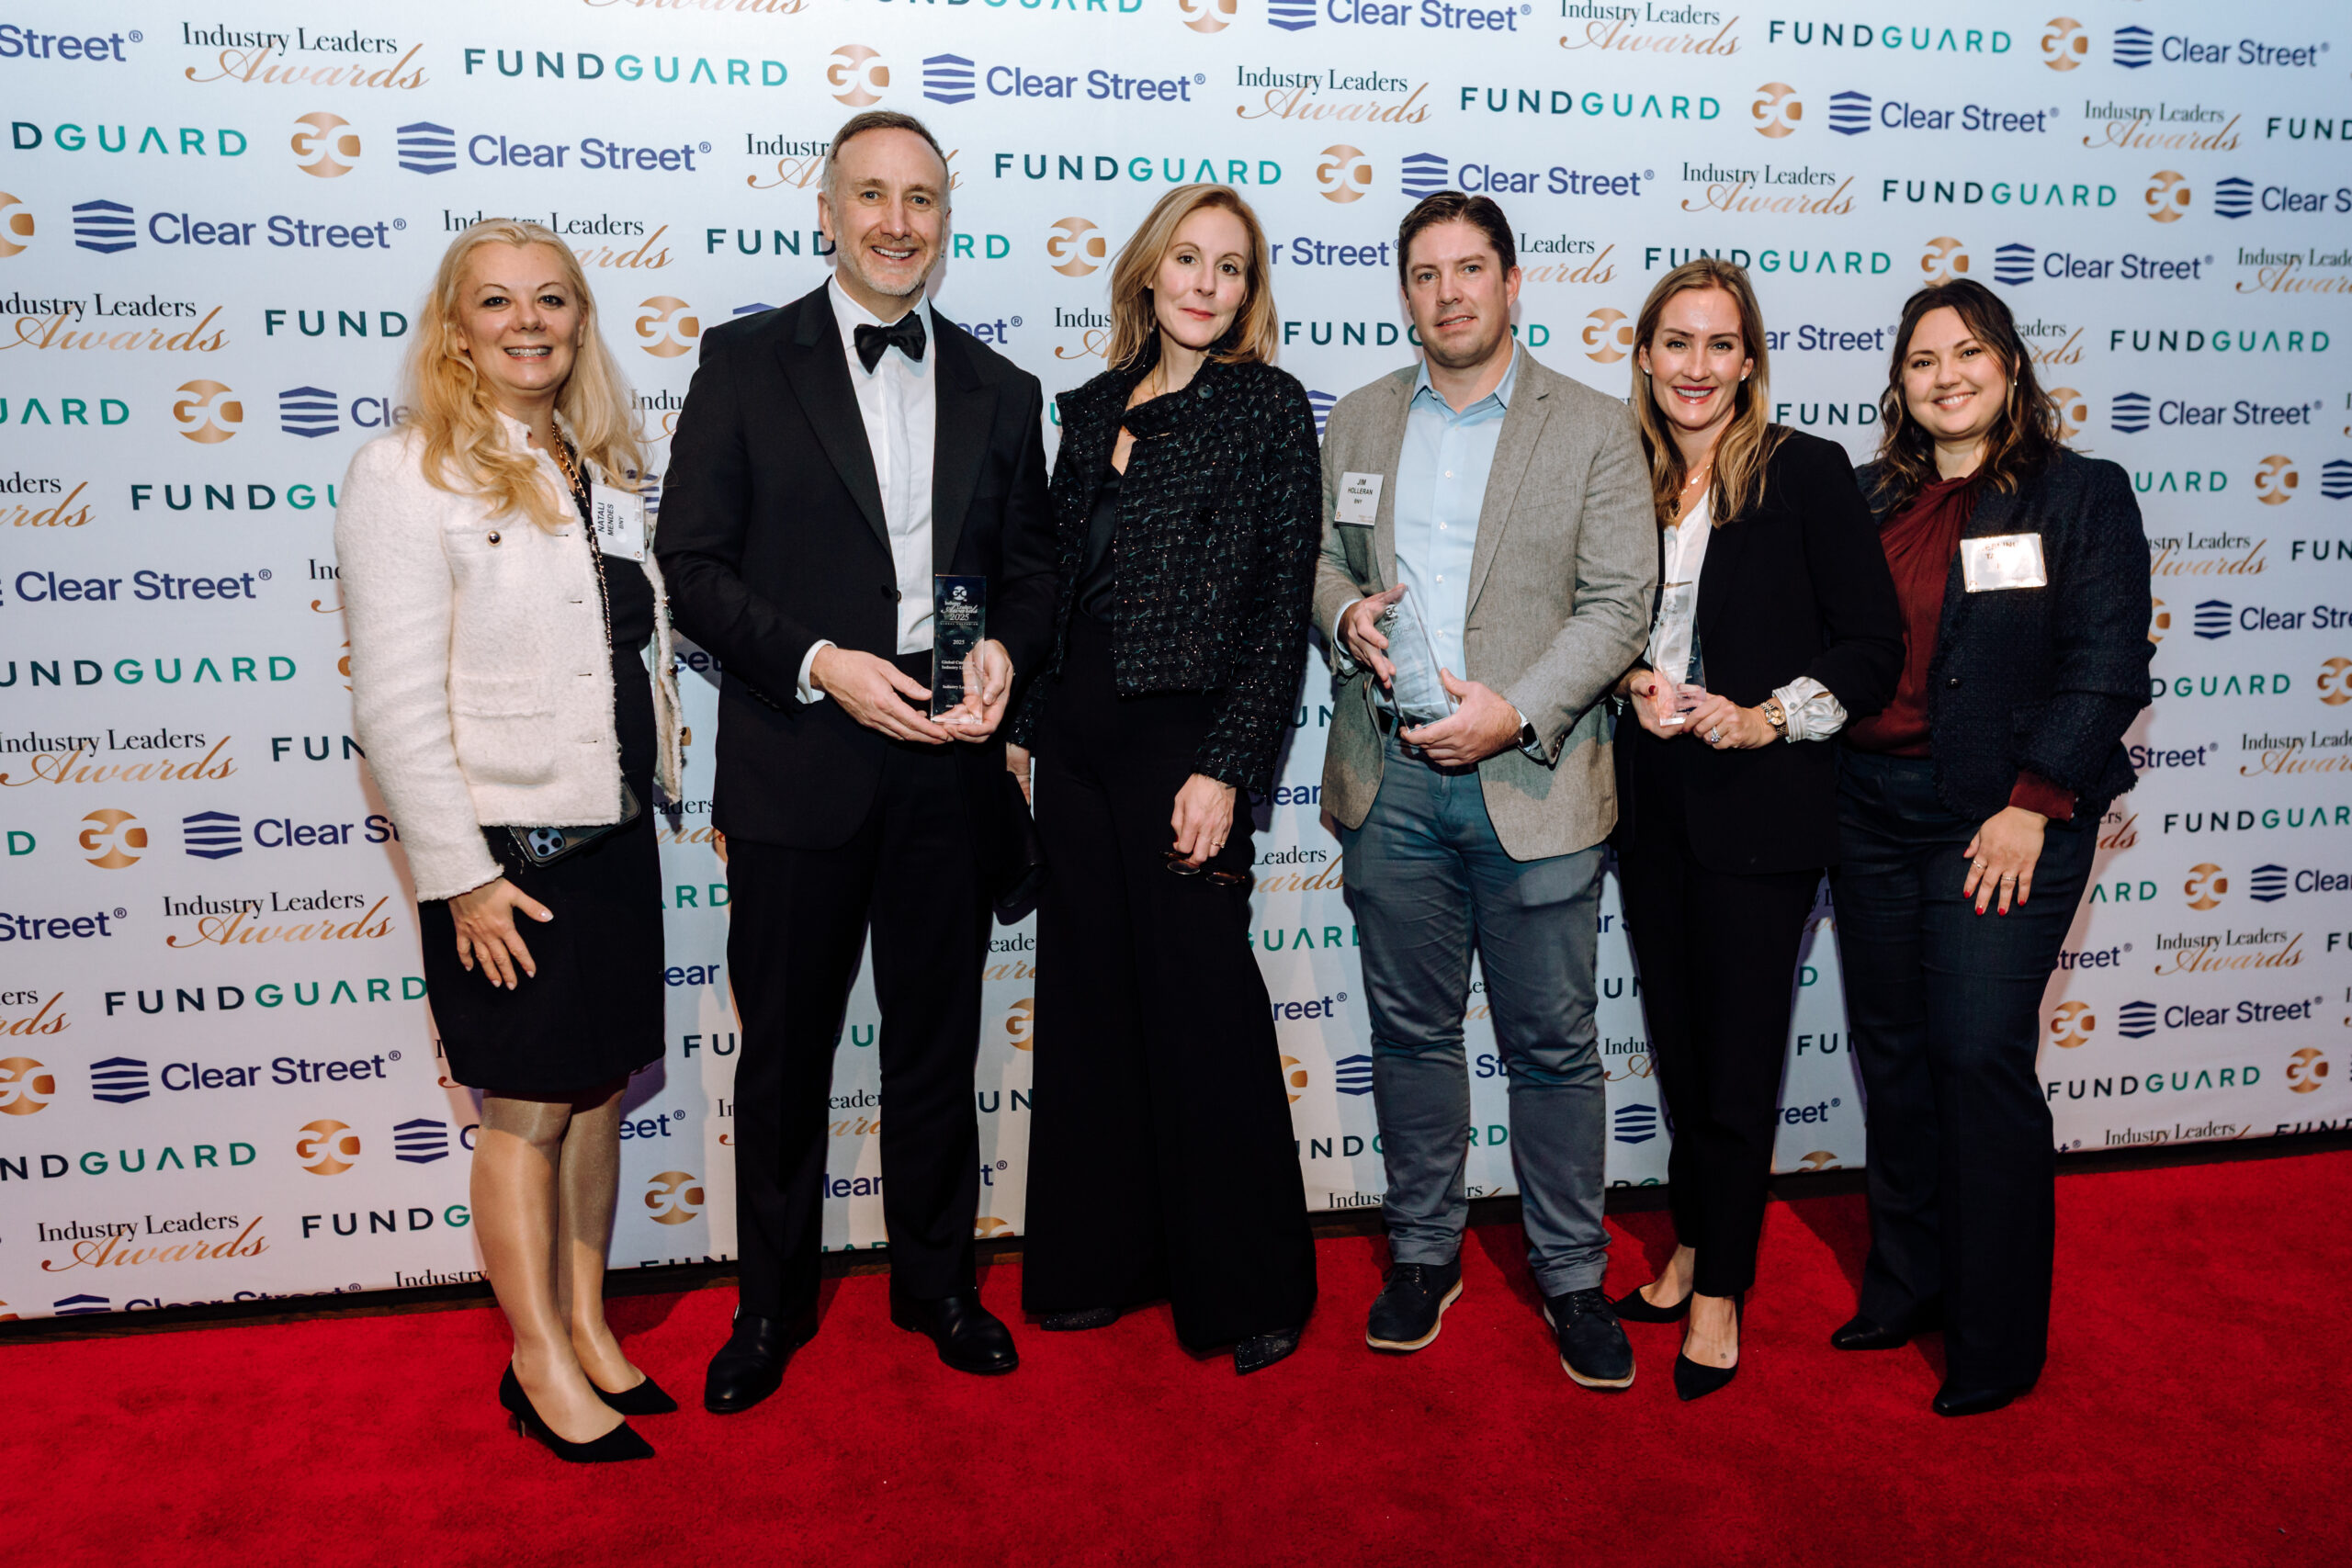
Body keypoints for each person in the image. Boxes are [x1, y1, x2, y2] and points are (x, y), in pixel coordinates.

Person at [656, 110, 1058, 1410]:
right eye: (872, 196)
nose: (897, 221)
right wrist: (821, 661)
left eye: (922, 199)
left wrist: (1006, 652)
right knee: (784, 1057)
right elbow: (691, 565)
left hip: (948, 767)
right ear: (825, 212)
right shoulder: (741, 361)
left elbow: (1033, 573)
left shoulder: (1003, 388)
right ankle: (768, 1307)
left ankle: (938, 1286)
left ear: (947, 220)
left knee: (937, 1046)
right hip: (797, 762)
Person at [339, 220, 684, 1463]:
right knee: (525, 1112)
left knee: (597, 1097)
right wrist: (464, 880)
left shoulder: (599, 467)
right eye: (497, 301)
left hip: (614, 834)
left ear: (580, 321)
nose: (528, 321)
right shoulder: (404, 472)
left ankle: (586, 1321)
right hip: (505, 861)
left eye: (552, 299)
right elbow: (391, 704)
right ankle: (535, 1358)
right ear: (456, 327)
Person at [1316, 192, 1656, 1386]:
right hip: (1391, 783)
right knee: (1410, 1035)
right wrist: (1343, 616)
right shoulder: (1360, 418)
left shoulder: (1595, 427)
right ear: (1404, 293)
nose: (1448, 292)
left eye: (1470, 269)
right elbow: (1322, 558)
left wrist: (1513, 710)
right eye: (1425, 273)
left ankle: (1570, 1272)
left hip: (1535, 781)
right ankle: (1424, 1251)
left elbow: (1620, 605)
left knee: (1554, 1047)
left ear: (1513, 283)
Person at [1010, 185, 1321, 1375]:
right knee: (1089, 1004)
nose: (1205, 283)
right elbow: (1051, 585)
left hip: (1184, 743)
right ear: (1149, 270)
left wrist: (1226, 767)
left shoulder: (1265, 407)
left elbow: (1278, 608)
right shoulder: (1088, 409)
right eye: (1187, 259)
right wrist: (1024, 733)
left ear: (1248, 292)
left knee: (1203, 1008)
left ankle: (1250, 1286)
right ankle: (1101, 1262)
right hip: (1077, 744)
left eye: (1230, 267)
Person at [1828, 277, 2150, 1417]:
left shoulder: (2078, 494)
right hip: (1866, 809)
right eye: (1922, 361)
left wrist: (2034, 798)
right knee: (1895, 1054)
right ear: (1899, 385)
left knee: (1974, 1056)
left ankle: (1997, 1338)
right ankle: (1907, 1283)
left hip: (2003, 819)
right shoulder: (1865, 496)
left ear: (2009, 366)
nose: (1946, 376)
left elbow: (2108, 662)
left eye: (1967, 353)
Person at [1604, 259, 1903, 1400]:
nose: (1697, 366)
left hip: (1761, 811)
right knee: (1681, 1053)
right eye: (1676, 343)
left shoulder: (1802, 470)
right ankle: (1692, 1246)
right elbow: (1602, 621)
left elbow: (1872, 649)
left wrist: (1767, 716)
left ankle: (1720, 1289)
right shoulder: (1618, 473)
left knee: (1735, 1064)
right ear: (1644, 355)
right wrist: (1632, 677)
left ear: (1749, 361)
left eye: (1720, 344)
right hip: (1648, 804)